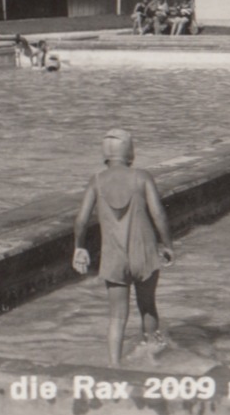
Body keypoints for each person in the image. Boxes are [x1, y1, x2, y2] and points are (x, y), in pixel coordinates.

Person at [71, 128, 174, 368]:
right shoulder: (142, 177)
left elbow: (81, 220)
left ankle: (114, 368)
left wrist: (79, 247)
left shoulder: (96, 181)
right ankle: (152, 359)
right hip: (145, 255)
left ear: (105, 156)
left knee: (117, 317)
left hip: (114, 258)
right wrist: (168, 244)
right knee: (147, 306)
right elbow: (158, 213)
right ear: (131, 153)